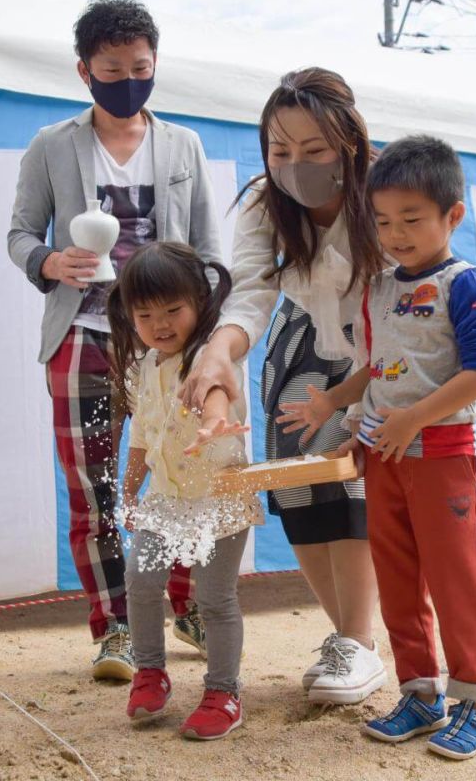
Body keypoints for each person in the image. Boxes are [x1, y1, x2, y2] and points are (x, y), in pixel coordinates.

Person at [7, 0, 222, 681]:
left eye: (140, 66)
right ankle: (117, 628)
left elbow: (211, 249)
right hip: (85, 333)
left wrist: (207, 341)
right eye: (112, 68)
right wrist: (48, 261)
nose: (128, 78)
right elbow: (18, 234)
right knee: (96, 487)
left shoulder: (183, 144)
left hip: (169, 344)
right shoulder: (52, 146)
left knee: (187, 475)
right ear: (84, 71)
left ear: (155, 65)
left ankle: (184, 605)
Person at [282, 135, 476, 759]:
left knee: (455, 578)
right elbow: (378, 367)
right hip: (383, 455)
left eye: (411, 219)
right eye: (382, 221)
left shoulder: (467, 284)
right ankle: (421, 692)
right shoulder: (378, 287)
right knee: (397, 576)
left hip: (442, 455)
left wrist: (413, 421)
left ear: (452, 215)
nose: (395, 233)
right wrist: (339, 408)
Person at [181, 67, 387, 704]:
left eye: (314, 150)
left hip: (373, 350)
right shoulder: (263, 205)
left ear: (349, 143)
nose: (295, 165)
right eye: (280, 151)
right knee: (298, 492)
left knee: (350, 485)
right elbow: (249, 295)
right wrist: (217, 351)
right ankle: (347, 640)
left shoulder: (385, 193)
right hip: (297, 349)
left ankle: (359, 641)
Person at [107, 242, 261, 741]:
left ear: (200, 302)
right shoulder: (144, 367)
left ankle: (223, 692)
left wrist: (215, 423)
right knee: (141, 578)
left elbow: (214, 396)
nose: (161, 323)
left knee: (215, 597)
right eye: (145, 314)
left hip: (219, 499)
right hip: (166, 501)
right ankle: (150, 671)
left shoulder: (210, 357)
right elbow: (144, 438)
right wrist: (128, 494)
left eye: (173, 309)